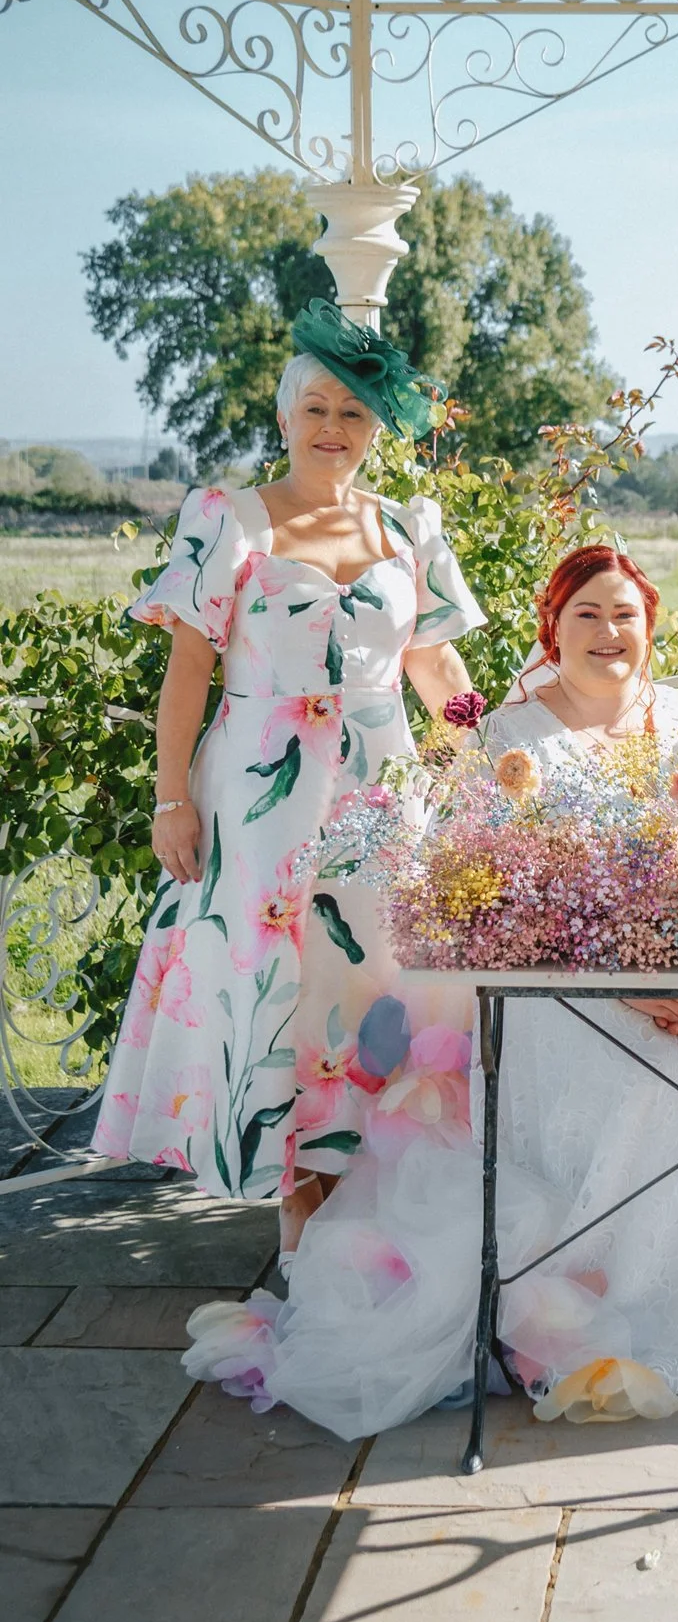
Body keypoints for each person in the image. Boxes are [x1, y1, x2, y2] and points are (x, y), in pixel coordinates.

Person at [181, 544, 678, 1438]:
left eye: (625, 615)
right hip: (554, 979)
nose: (607, 632)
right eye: (585, 614)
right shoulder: (502, 733)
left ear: (652, 629)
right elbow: (494, 899)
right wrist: (624, 990)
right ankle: (595, 1304)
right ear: (551, 628)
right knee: (633, 1079)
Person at [91, 299, 485, 1269]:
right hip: (260, 802)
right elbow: (189, 669)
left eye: (353, 412)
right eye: (315, 407)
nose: (332, 428)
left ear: (375, 428)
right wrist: (171, 799)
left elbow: (435, 669)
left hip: (385, 798)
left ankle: (371, 1194)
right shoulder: (227, 519)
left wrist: (484, 763)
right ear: (283, 417)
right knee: (280, 990)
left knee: (373, 981)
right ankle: (299, 1211)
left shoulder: (410, 527)